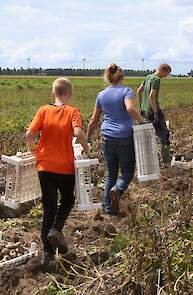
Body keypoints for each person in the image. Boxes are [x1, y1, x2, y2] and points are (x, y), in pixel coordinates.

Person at [26, 77, 89, 265]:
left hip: (44, 167)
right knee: (68, 199)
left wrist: (33, 150)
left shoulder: (43, 110)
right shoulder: (73, 111)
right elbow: (78, 133)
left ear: (53, 93)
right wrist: (87, 148)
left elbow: (29, 134)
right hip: (65, 167)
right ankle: (56, 229)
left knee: (49, 208)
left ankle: (47, 254)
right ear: (69, 94)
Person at [87, 64, 144, 215]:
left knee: (111, 173)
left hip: (106, 136)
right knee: (127, 172)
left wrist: (87, 137)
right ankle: (117, 191)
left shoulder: (101, 95)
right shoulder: (126, 91)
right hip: (124, 137)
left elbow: (94, 120)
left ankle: (107, 207)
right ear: (122, 77)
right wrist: (142, 122)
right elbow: (130, 109)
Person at [137, 63, 172, 163]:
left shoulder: (148, 77)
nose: (166, 76)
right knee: (164, 135)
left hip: (145, 111)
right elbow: (152, 96)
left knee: (147, 135)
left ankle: (147, 159)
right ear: (163, 70)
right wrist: (156, 113)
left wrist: (141, 106)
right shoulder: (156, 79)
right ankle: (166, 161)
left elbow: (139, 91)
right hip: (153, 111)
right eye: (167, 74)